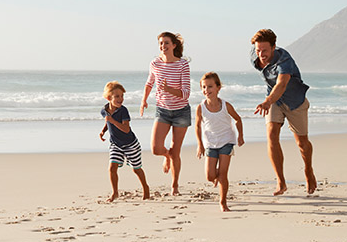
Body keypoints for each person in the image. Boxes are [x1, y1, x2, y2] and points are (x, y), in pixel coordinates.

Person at [250, 28, 317, 195]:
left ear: (274, 47)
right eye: (258, 50)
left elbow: (281, 84)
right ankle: (280, 181)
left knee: (302, 142)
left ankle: (308, 170)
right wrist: (269, 101)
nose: (261, 54)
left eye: (265, 50)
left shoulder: (284, 60)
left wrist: (266, 101)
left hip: (295, 101)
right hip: (274, 100)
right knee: (272, 135)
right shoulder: (255, 55)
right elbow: (273, 87)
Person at [140, 31, 191, 196]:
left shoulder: (182, 65)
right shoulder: (155, 63)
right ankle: (166, 156)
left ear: (174, 45)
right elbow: (149, 83)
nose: (163, 46)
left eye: (166, 43)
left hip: (181, 112)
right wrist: (144, 100)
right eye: (161, 43)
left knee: (176, 151)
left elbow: (185, 93)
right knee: (155, 148)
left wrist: (168, 89)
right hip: (162, 110)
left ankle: (174, 186)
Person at [194, 72, 244, 212]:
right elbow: (198, 126)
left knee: (223, 174)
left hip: (226, 141)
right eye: (203, 87)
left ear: (218, 87)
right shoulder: (201, 107)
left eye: (210, 86)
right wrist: (200, 145)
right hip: (210, 143)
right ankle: (217, 180)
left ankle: (223, 202)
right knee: (210, 175)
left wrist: (240, 136)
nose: (206, 90)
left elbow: (238, 119)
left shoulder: (226, 106)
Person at [100, 81, 150, 202]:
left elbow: (126, 129)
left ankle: (146, 188)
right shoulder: (104, 110)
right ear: (108, 97)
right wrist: (103, 131)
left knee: (136, 169)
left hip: (130, 144)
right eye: (117, 96)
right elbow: (108, 122)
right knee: (112, 167)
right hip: (115, 144)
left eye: (122, 96)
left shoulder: (123, 111)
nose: (120, 99)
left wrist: (112, 121)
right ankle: (115, 192)